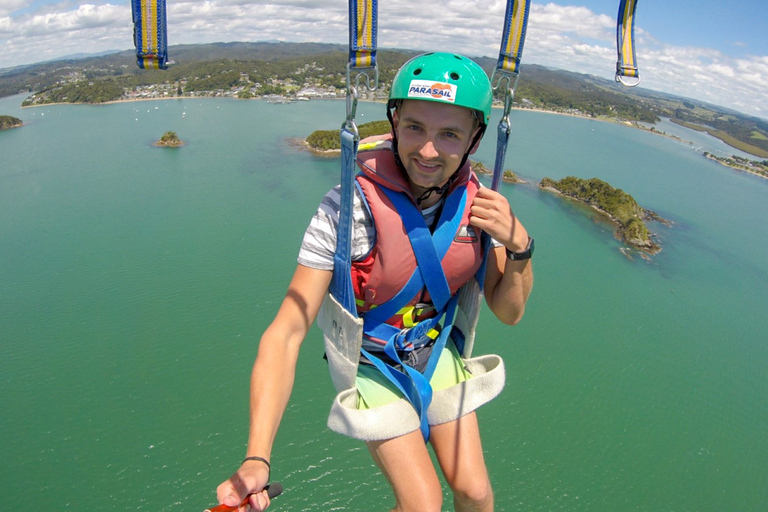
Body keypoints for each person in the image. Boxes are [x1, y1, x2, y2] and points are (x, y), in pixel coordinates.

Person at [215, 52, 534, 512]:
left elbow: (509, 311)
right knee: (422, 504)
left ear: (474, 140)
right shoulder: (347, 211)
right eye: (415, 128)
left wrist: (519, 245)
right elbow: (286, 330)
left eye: (449, 135)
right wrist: (256, 457)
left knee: (476, 493)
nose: (427, 150)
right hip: (370, 357)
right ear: (394, 121)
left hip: (434, 346)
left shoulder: (480, 208)